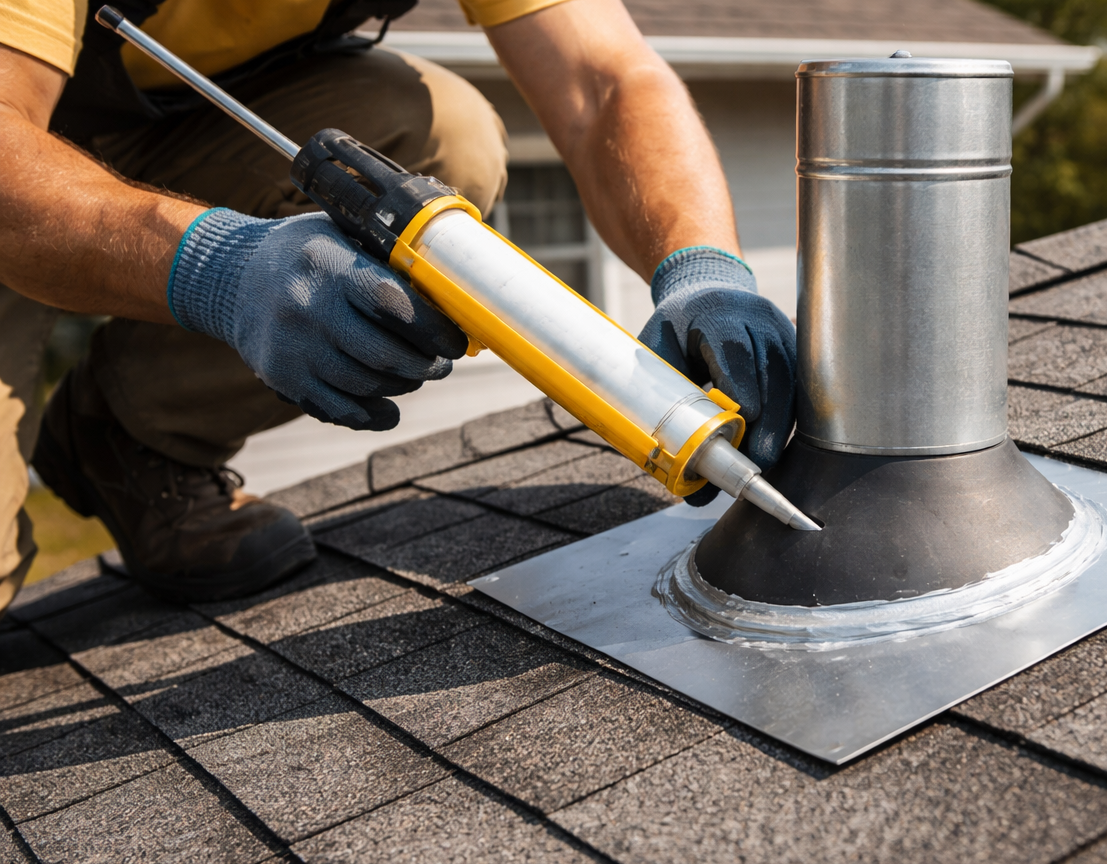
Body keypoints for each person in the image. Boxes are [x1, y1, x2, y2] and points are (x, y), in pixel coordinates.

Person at [0, 0, 796, 614]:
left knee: (439, 131)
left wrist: (700, 267)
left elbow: (604, 77)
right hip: (17, 148)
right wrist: (221, 269)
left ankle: (132, 434)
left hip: (176, 118)